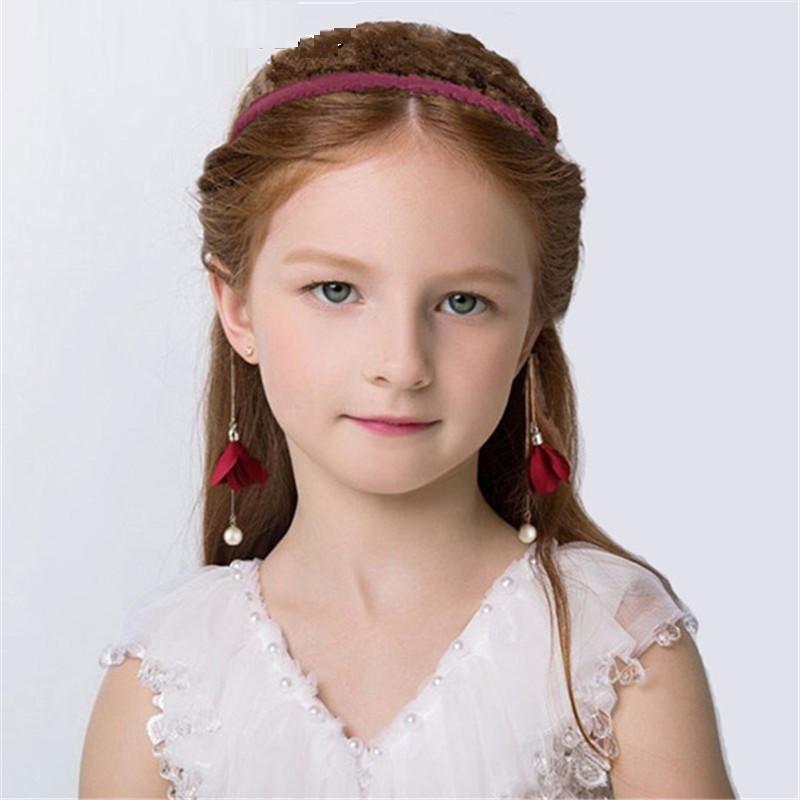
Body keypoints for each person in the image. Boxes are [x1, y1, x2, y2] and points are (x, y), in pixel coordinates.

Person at [79, 19, 736, 799]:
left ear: (531, 327)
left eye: (463, 301)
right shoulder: (166, 678)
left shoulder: (614, 650)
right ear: (239, 308)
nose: (401, 363)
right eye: (335, 290)